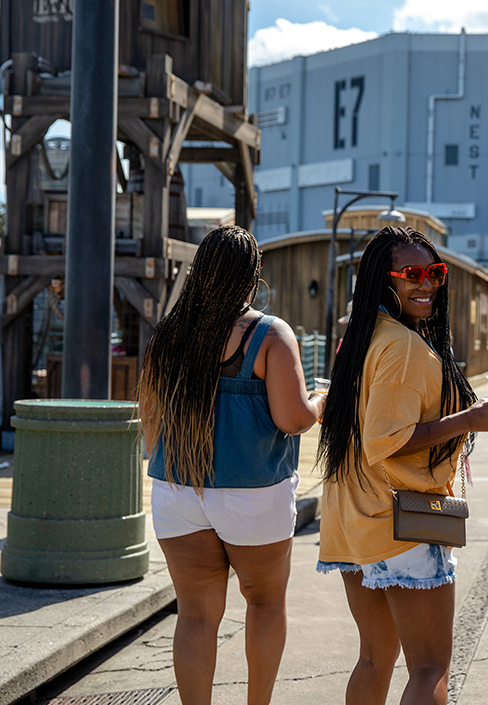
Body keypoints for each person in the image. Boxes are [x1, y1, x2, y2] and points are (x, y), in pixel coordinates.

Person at [316, 226, 488, 705]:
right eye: (412, 274)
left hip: (352, 520)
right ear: (384, 281)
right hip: (400, 522)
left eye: (435, 272)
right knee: (429, 668)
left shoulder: (362, 337)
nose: (426, 283)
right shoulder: (404, 348)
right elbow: (387, 441)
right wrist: (472, 419)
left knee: (374, 658)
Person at [139, 226, 324, 705]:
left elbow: (151, 421)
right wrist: (321, 401)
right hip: (253, 493)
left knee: (195, 615)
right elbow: (292, 418)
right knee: (264, 603)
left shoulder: (169, 335)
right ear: (252, 276)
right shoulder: (268, 335)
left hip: (178, 491)